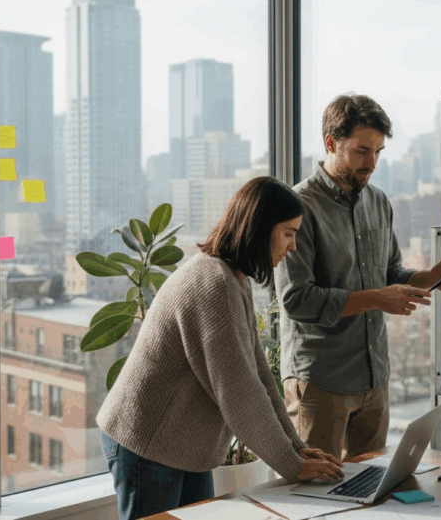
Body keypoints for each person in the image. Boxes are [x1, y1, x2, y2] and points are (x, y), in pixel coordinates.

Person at [97, 176, 344, 520]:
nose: (293, 246)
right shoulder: (214, 282)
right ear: (259, 228)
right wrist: (290, 463)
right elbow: (239, 391)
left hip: (181, 446)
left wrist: (298, 449)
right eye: (288, 233)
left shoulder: (232, 278)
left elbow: (258, 374)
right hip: (148, 441)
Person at [275, 92, 441, 462]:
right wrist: (379, 299)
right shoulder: (298, 207)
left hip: (374, 379)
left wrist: (426, 277)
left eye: (378, 152)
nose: (372, 162)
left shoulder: (378, 201)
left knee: (373, 490)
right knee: (318, 499)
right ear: (331, 143)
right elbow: (297, 299)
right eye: (362, 151)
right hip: (320, 383)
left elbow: (391, 272)